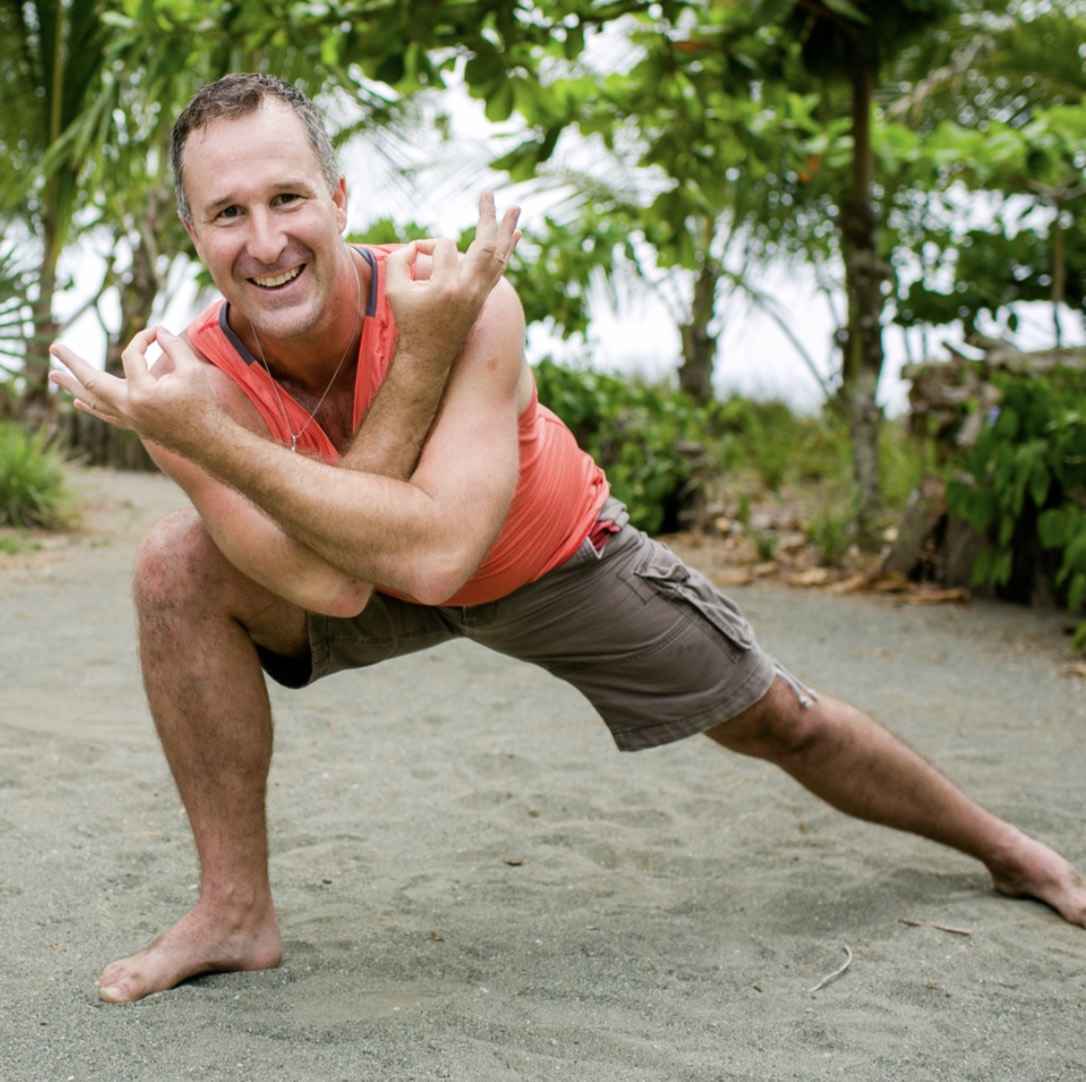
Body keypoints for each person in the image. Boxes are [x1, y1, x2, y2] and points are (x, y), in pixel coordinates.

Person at [50, 74, 1084, 1005]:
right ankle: (235, 908)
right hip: (352, 579)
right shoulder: (188, 384)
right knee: (172, 564)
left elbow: (436, 556)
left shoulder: (458, 295)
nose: (264, 241)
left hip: (542, 553)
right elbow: (334, 587)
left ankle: (1008, 849)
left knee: (779, 717)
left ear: (339, 199)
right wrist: (200, 426)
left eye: (286, 199)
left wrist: (410, 350)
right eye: (227, 213)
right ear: (193, 232)